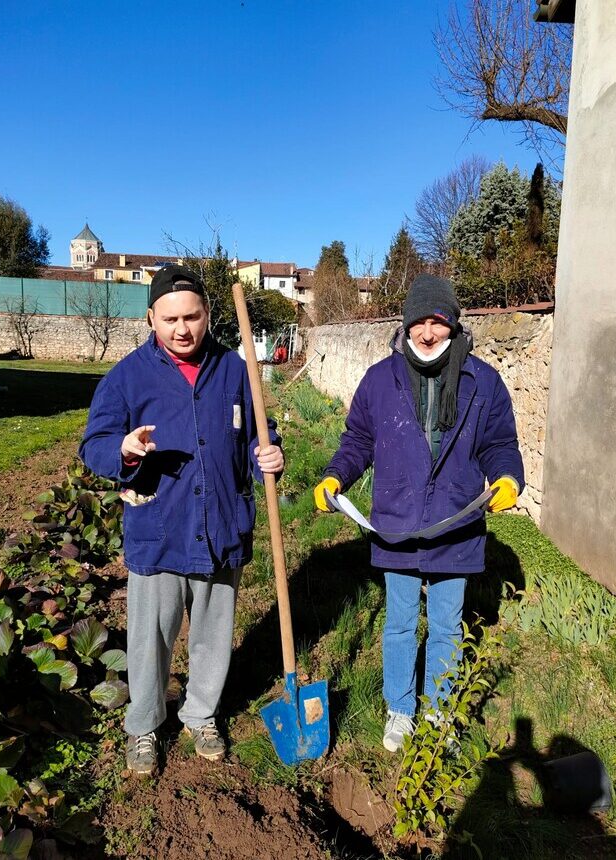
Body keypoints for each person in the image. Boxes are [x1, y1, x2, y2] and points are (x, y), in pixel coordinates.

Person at [79, 264, 284, 775]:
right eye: (169, 319)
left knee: (214, 633)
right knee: (150, 638)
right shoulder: (127, 377)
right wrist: (123, 451)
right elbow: (94, 444)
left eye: (192, 317)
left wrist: (270, 454)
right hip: (160, 527)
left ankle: (200, 714)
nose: (182, 329)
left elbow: (261, 432)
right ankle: (144, 725)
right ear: (151, 317)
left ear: (208, 314)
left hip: (221, 524)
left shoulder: (235, 370)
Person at [313, 274, 523, 753]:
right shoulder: (378, 380)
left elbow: (499, 445)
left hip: (456, 523)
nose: (428, 333)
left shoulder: (482, 383)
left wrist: (507, 477)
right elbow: (358, 442)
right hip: (396, 523)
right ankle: (401, 709)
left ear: (453, 325)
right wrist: (335, 477)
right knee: (401, 622)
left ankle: (440, 711)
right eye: (420, 323)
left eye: (438, 322)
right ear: (406, 325)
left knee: (448, 624)